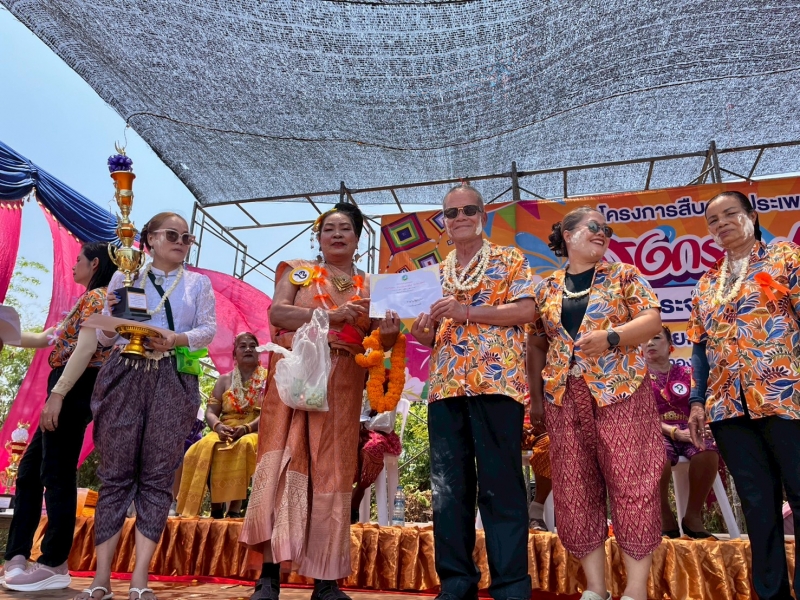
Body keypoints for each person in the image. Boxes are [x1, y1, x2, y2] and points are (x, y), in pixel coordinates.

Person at [241, 202, 400, 600]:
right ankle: (269, 577)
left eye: (345, 228)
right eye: (329, 228)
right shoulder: (300, 271)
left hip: (343, 382)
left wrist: (391, 334)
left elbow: (379, 342)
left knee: (332, 473)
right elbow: (279, 314)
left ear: (358, 238)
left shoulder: (373, 285)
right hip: (295, 378)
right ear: (319, 236)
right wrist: (332, 317)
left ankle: (326, 582)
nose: (337, 234)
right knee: (284, 463)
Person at [78, 212, 216, 600]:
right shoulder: (125, 277)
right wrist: (110, 315)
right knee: (115, 474)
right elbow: (105, 339)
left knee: (158, 476)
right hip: (124, 373)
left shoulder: (198, 283)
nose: (181, 242)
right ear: (150, 239)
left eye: (187, 238)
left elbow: (208, 329)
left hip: (173, 377)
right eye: (172, 235)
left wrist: (176, 339)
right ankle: (101, 580)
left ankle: (140, 579)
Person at [527, 206, 663, 600]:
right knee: (574, 488)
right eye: (593, 226)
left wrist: (612, 337)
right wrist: (536, 399)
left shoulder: (624, 275)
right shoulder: (546, 288)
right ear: (568, 235)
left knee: (633, 483)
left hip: (620, 392)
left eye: (606, 228)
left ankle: (635, 591)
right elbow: (537, 344)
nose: (602, 232)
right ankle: (595, 588)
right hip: (563, 397)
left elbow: (652, 321)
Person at [410, 183, 536, 600]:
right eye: (452, 213)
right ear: (444, 223)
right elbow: (429, 336)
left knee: (502, 486)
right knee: (448, 490)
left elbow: (526, 310)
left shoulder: (509, 258)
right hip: (446, 389)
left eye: (468, 210)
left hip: (496, 384)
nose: (460, 217)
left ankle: (511, 587)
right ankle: (456, 583)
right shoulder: (434, 274)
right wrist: (421, 332)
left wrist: (466, 311)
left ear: (483, 216)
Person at [687, 190, 800, 600]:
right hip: (728, 409)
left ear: (752, 215)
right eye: (713, 221)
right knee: (757, 504)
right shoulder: (706, 283)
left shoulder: (787, 259)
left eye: (730, 214)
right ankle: (771, 593)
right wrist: (696, 401)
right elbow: (698, 349)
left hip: (784, 397)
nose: (722, 224)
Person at [1, 243, 115, 592]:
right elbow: (44, 339)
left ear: (95, 264)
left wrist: (59, 393)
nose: (73, 265)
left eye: (79, 260)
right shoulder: (86, 302)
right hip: (68, 383)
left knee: (57, 472)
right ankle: (17, 555)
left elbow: (85, 349)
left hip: (75, 384)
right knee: (30, 470)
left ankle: (54, 562)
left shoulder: (97, 298)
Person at [641, 326, 719, 539]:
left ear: (670, 345)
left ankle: (693, 517)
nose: (650, 343)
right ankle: (665, 516)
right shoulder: (636, 378)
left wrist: (704, 425)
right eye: (645, 340)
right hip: (654, 431)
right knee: (656, 455)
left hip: (689, 428)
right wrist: (674, 432)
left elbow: (703, 404)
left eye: (656, 338)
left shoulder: (688, 374)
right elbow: (640, 416)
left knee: (707, 450)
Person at [177, 331, 265, 518]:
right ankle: (215, 508)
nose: (248, 349)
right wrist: (218, 426)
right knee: (203, 446)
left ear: (259, 352)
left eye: (253, 346)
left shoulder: (268, 379)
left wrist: (246, 428)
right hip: (225, 428)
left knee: (244, 444)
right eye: (243, 346)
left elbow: (270, 412)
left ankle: (234, 509)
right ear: (234, 354)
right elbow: (210, 411)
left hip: (256, 429)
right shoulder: (224, 380)